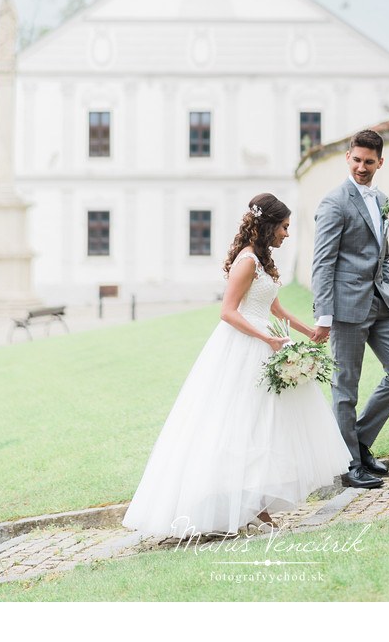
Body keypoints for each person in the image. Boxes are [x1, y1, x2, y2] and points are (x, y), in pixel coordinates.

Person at [122, 193, 351, 539]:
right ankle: (239, 506)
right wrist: (268, 340)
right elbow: (228, 312)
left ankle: (255, 505)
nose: (287, 234)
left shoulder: (263, 260)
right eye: (285, 227)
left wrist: (309, 331)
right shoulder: (247, 261)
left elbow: (275, 308)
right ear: (269, 224)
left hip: (265, 342)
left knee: (265, 425)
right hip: (244, 348)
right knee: (238, 424)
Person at [310, 129, 389, 489]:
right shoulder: (333, 203)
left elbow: (382, 253)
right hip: (345, 308)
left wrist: (388, 284)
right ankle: (350, 464)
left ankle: (359, 440)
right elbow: (322, 263)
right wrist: (324, 314)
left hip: (383, 303)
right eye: (356, 160)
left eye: (368, 162)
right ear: (348, 159)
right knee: (346, 388)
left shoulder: (382, 199)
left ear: (380, 163)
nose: (361, 167)